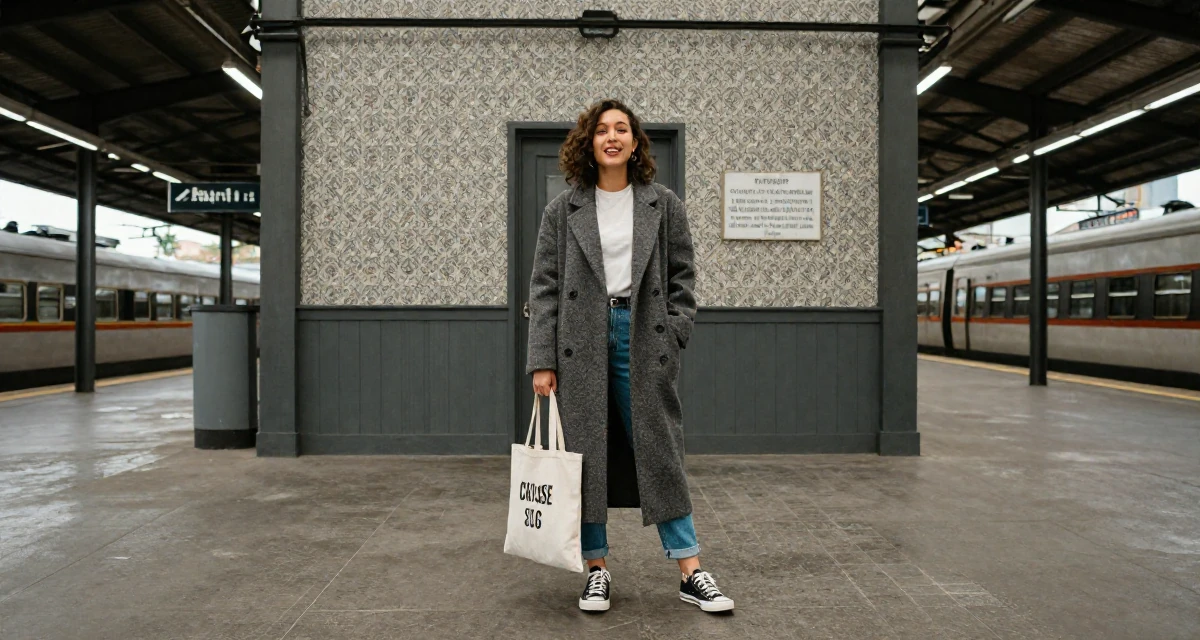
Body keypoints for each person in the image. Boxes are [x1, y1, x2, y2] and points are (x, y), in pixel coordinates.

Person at [526, 98, 734, 614]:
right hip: (581, 339)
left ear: (636, 143)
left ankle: (691, 568)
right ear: (589, 144)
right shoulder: (563, 209)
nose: (612, 137)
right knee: (587, 454)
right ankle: (596, 570)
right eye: (602, 130)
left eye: (622, 129)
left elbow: (682, 276)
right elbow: (545, 288)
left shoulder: (662, 204)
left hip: (642, 334)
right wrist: (542, 359)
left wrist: (674, 332)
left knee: (659, 448)